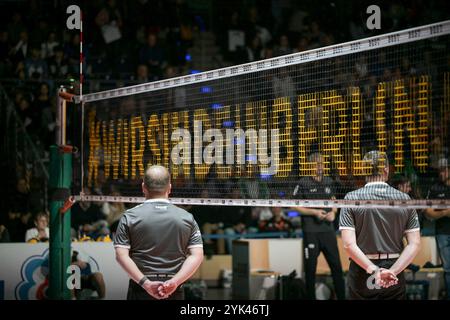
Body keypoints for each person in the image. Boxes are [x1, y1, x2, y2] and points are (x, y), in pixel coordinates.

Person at [339, 151, 421, 300]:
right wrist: (393, 272)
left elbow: (348, 245)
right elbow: (414, 244)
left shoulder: (351, 198)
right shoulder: (404, 198)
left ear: (364, 170)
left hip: (362, 268)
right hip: (394, 268)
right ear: (386, 169)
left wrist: (375, 271)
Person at [114, 165, 204, 300]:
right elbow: (197, 256)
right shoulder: (187, 217)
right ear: (169, 188)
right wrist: (175, 282)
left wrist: (146, 284)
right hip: (174, 290)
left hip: (140, 289)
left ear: (143, 187)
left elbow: (121, 256)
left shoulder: (129, 217)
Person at [292, 152, 346, 300]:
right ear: (310, 165)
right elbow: (294, 206)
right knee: (310, 271)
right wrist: (314, 213)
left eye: (322, 163)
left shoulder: (329, 181)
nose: (321, 166)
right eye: (317, 163)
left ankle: (342, 297)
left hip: (328, 232)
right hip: (311, 232)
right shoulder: (302, 183)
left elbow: (334, 202)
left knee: (337, 268)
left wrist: (334, 213)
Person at [425, 158, 450, 300]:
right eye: (440, 170)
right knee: (448, 269)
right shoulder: (435, 188)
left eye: (444, 169)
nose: (442, 172)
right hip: (442, 233)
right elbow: (428, 212)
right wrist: (445, 213)